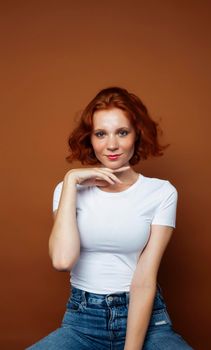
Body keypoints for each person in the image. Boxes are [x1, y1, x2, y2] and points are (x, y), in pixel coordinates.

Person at [26, 87, 193, 349]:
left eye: (122, 132)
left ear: (137, 135)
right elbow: (62, 260)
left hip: (146, 322)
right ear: (89, 139)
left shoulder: (161, 192)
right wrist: (71, 180)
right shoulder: (68, 190)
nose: (112, 145)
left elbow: (145, 279)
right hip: (83, 322)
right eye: (101, 134)